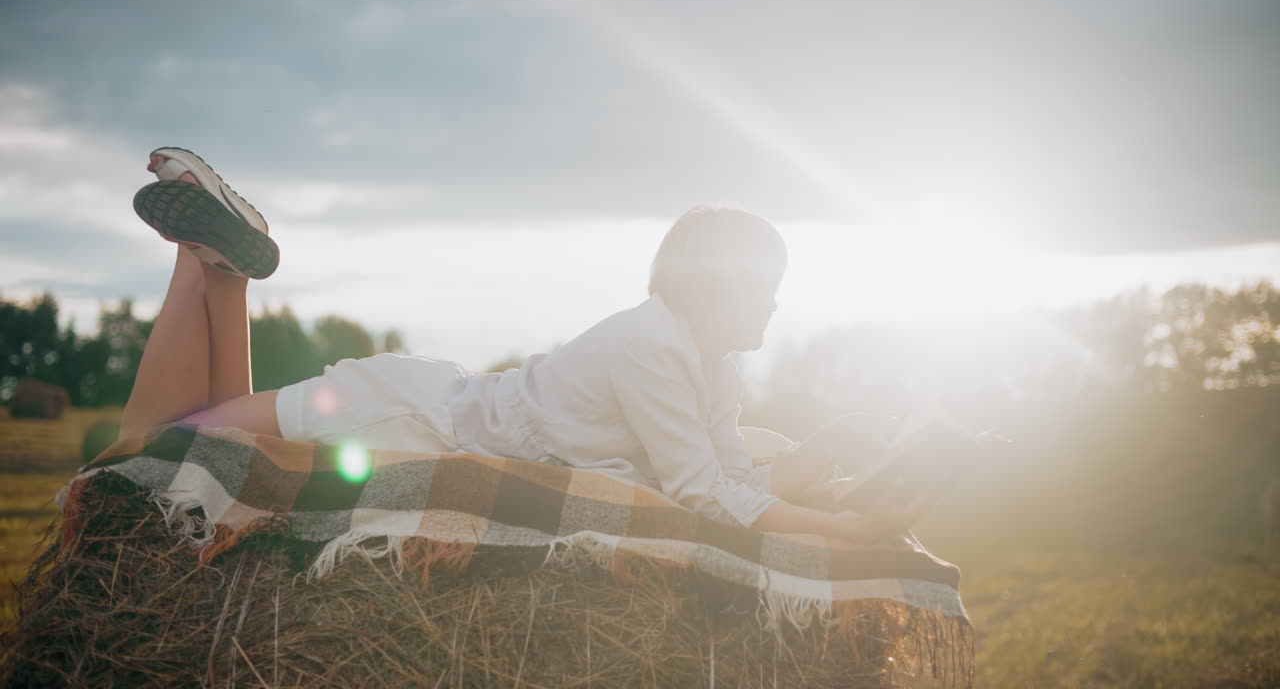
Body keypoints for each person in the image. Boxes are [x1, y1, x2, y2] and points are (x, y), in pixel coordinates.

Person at [121, 147, 950, 544]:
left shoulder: (712, 366)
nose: (776, 302)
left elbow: (731, 471)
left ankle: (220, 270)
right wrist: (855, 536)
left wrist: (831, 462)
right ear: (723, 286)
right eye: (766, 284)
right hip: (408, 414)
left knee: (208, 441)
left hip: (434, 408)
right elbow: (705, 497)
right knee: (155, 449)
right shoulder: (652, 346)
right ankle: (210, 256)